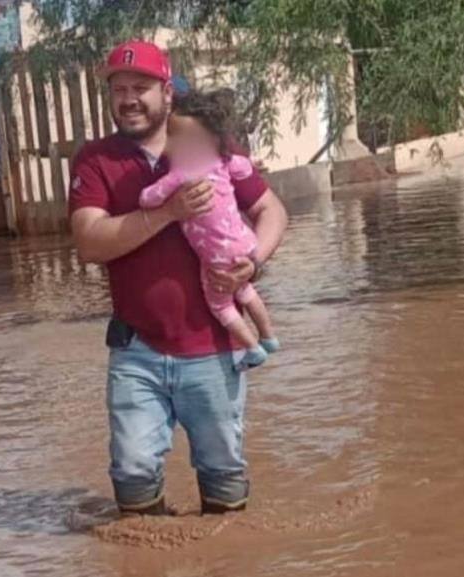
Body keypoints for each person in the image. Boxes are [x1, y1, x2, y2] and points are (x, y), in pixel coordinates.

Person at [69, 40, 288, 515]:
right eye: (118, 89)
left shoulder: (208, 141)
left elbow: (271, 209)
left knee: (223, 472)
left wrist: (254, 260)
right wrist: (168, 212)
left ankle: (225, 557)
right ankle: (145, 557)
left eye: (141, 87)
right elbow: (89, 242)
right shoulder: (95, 160)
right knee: (130, 471)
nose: (128, 98)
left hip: (213, 348)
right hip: (137, 351)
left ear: (167, 92)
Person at [139, 90, 279, 369]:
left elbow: (148, 198)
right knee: (245, 290)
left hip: (216, 254)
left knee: (220, 304)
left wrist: (156, 202)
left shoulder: (181, 174)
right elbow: (244, 168)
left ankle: (253, 348)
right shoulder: (223, 161)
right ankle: (269, 336)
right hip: (245, 242)